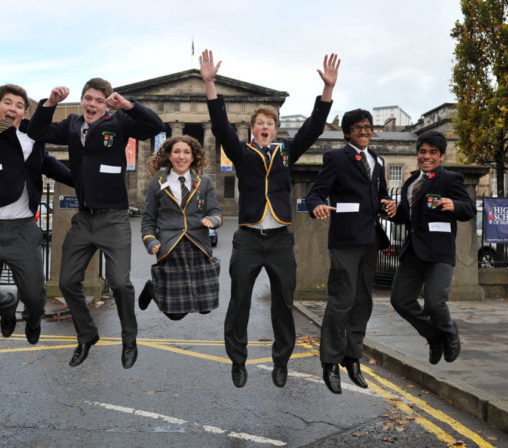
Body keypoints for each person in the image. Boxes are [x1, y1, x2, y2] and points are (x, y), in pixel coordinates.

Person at [200, 49, 340, 388]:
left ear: (275, 130)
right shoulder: (241, 152)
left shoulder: (285, 152)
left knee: (283, 304)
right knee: (240, 302)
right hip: (248, 237)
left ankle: (281, 362)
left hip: (279, 238)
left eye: (270, 124)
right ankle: (238, 360)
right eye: (260, 124)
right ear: (252, 130)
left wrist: (327, 91)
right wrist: (209, 84)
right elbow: (220, 126)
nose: (265, 127)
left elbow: (313, 127)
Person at [28, 77, 164, 369]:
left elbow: (155, 126)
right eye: (88, 98)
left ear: (107, 104)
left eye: (99, 100)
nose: (92, 104)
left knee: (119, 282)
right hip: (83, 220)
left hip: (113, 219)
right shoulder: (73, 125)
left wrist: (127, 105)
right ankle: (87, 334)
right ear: (82, 100)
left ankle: (129, 339)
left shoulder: (120, 123)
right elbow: (37, 131)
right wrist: (50, 103)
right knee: (66, 282)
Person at [0, 29, 73, 345]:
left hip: (23, 230)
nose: (12, 108)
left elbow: (57, 169)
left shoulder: (33, 142)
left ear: (24, 112)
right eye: (7, 102)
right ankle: (7, 309)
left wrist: (92, 184)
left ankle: (31, 317)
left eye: (19, 105)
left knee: (35, 296)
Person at [305, 109, 397, 394]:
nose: (364, 131)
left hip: (370, 238)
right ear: (347, 132)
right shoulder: (336, 157)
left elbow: (379, 194)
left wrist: (388, 204)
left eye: (367, 127)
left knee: (362, 302)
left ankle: (352, 356)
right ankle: (330, 361)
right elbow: (315, 193)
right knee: (341, 301)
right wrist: (316, 206)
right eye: (358, 128)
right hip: (345, 239)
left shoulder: (378, 160)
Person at [389, 131, 474, 365]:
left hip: (439, 253)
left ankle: (449, 331)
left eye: (432, 153)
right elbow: (408, 218)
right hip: (413, 252)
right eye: (423, 152)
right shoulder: (410, 183)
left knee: (435, 302)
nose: (427, 156)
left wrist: (454, 204)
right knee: (400, 301)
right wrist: (394, 212)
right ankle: (433, 336)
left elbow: (469, 210)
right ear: (418, 155)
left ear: (441, 156)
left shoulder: (450, 179)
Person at [139, 135, 223, 320]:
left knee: (206, 307)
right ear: (169, 156)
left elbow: (216, 211)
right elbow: (148, 220)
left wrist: (213, 220)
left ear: (193, 157)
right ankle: (152, 288)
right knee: (175, 314)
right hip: (171, 248)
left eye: (186, 152)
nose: (181, 156)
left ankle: (160, 289)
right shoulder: (157, 183)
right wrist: (150, 240)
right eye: (176, 151)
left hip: (199, 246)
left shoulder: (205, 182)